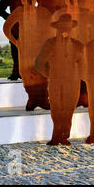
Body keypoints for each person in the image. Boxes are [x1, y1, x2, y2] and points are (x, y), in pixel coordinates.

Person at [34, 14, 84, 145]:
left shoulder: (78, 45)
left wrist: (77, 75)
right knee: (56, 108)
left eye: (67, 27)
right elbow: (39, 63)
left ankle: (64, 136)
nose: (65, 30)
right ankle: (56, 136)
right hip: (56, 82)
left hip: (73, 83)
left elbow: (84, 64)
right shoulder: (50, 44)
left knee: (69, 109)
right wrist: (51, 74)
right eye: (62, 27)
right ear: (57, 28)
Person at [3, 0, 53, 111]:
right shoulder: (19, 11)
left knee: (42, 73)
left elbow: (52, 29)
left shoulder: (43, 12)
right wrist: (16, 42)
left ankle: (43, 100)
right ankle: (32, 100)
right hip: (25, 49)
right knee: (26, 73)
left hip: (40, 49)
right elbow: (7, 27)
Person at [0, 0, 34, 80]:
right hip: (17, 28)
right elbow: (0, 9)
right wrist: (10, 18)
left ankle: (24, 73)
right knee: (16, 50)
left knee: (28, 51)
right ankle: (17, 72)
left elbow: (0, 10)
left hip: (29, 27)